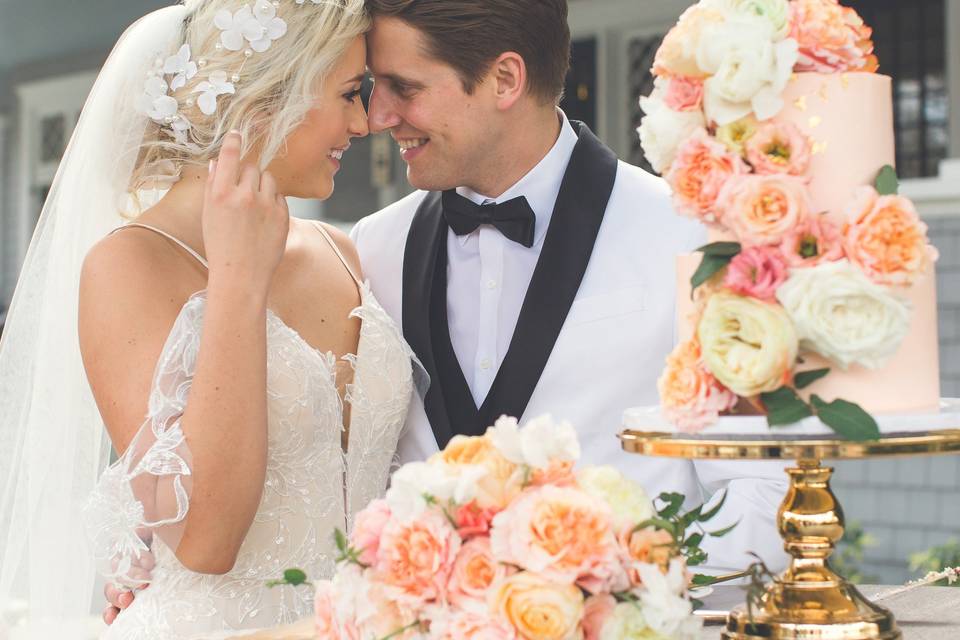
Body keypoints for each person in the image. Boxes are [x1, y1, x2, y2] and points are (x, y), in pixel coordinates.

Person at [0, 0, 424, 636]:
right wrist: (236, 283)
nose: (364, 123)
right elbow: (205, 538)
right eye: (347, 94)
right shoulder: (128, 266)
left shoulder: (342, 250)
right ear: (263, 102)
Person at [351, 0, 790, 576]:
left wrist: (612, 595)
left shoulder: (691, 236)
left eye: (402, 87)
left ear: (504, 79)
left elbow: (761, 496)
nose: (377, 116)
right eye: (369, 87)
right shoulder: (371, 247)